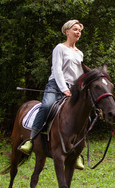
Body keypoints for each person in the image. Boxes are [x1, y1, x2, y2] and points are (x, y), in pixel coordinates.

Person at [19, 19, 85, 170]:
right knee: (47, 106)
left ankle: (77, 152)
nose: (78, 32)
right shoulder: (59, 48)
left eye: (79, 30)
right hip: (56, 85)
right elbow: (57, 70)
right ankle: (30, 140)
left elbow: (80, 75)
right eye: (75, 29)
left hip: (73, 89)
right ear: (67, 31)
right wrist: (63, 89)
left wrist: (79, 90)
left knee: (84, 116)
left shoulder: (79, 53)